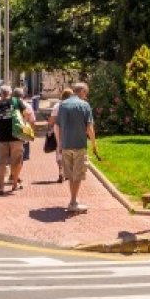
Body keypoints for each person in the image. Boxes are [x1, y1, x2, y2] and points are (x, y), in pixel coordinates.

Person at [54, 81, 98, 214]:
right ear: (82, 91)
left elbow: (58, 126)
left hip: (66, 144)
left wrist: (59, 144)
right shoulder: (85, 105)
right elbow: (89, 127)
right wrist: (94, 144)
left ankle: (73, 200)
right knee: (77, 174)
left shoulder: (63, 105)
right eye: (86, 93)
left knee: (71, 174)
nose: (86, 96)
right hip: (79, 144)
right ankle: (73, 202)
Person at [0, 85, 25, 193]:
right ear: (10, 93)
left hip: (2, 138)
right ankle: (14, 184)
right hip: (16, 137)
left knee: (1, 163)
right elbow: (26, 115)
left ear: (1, 93)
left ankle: (1, 187)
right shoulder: (17, 102)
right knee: (16, 161)